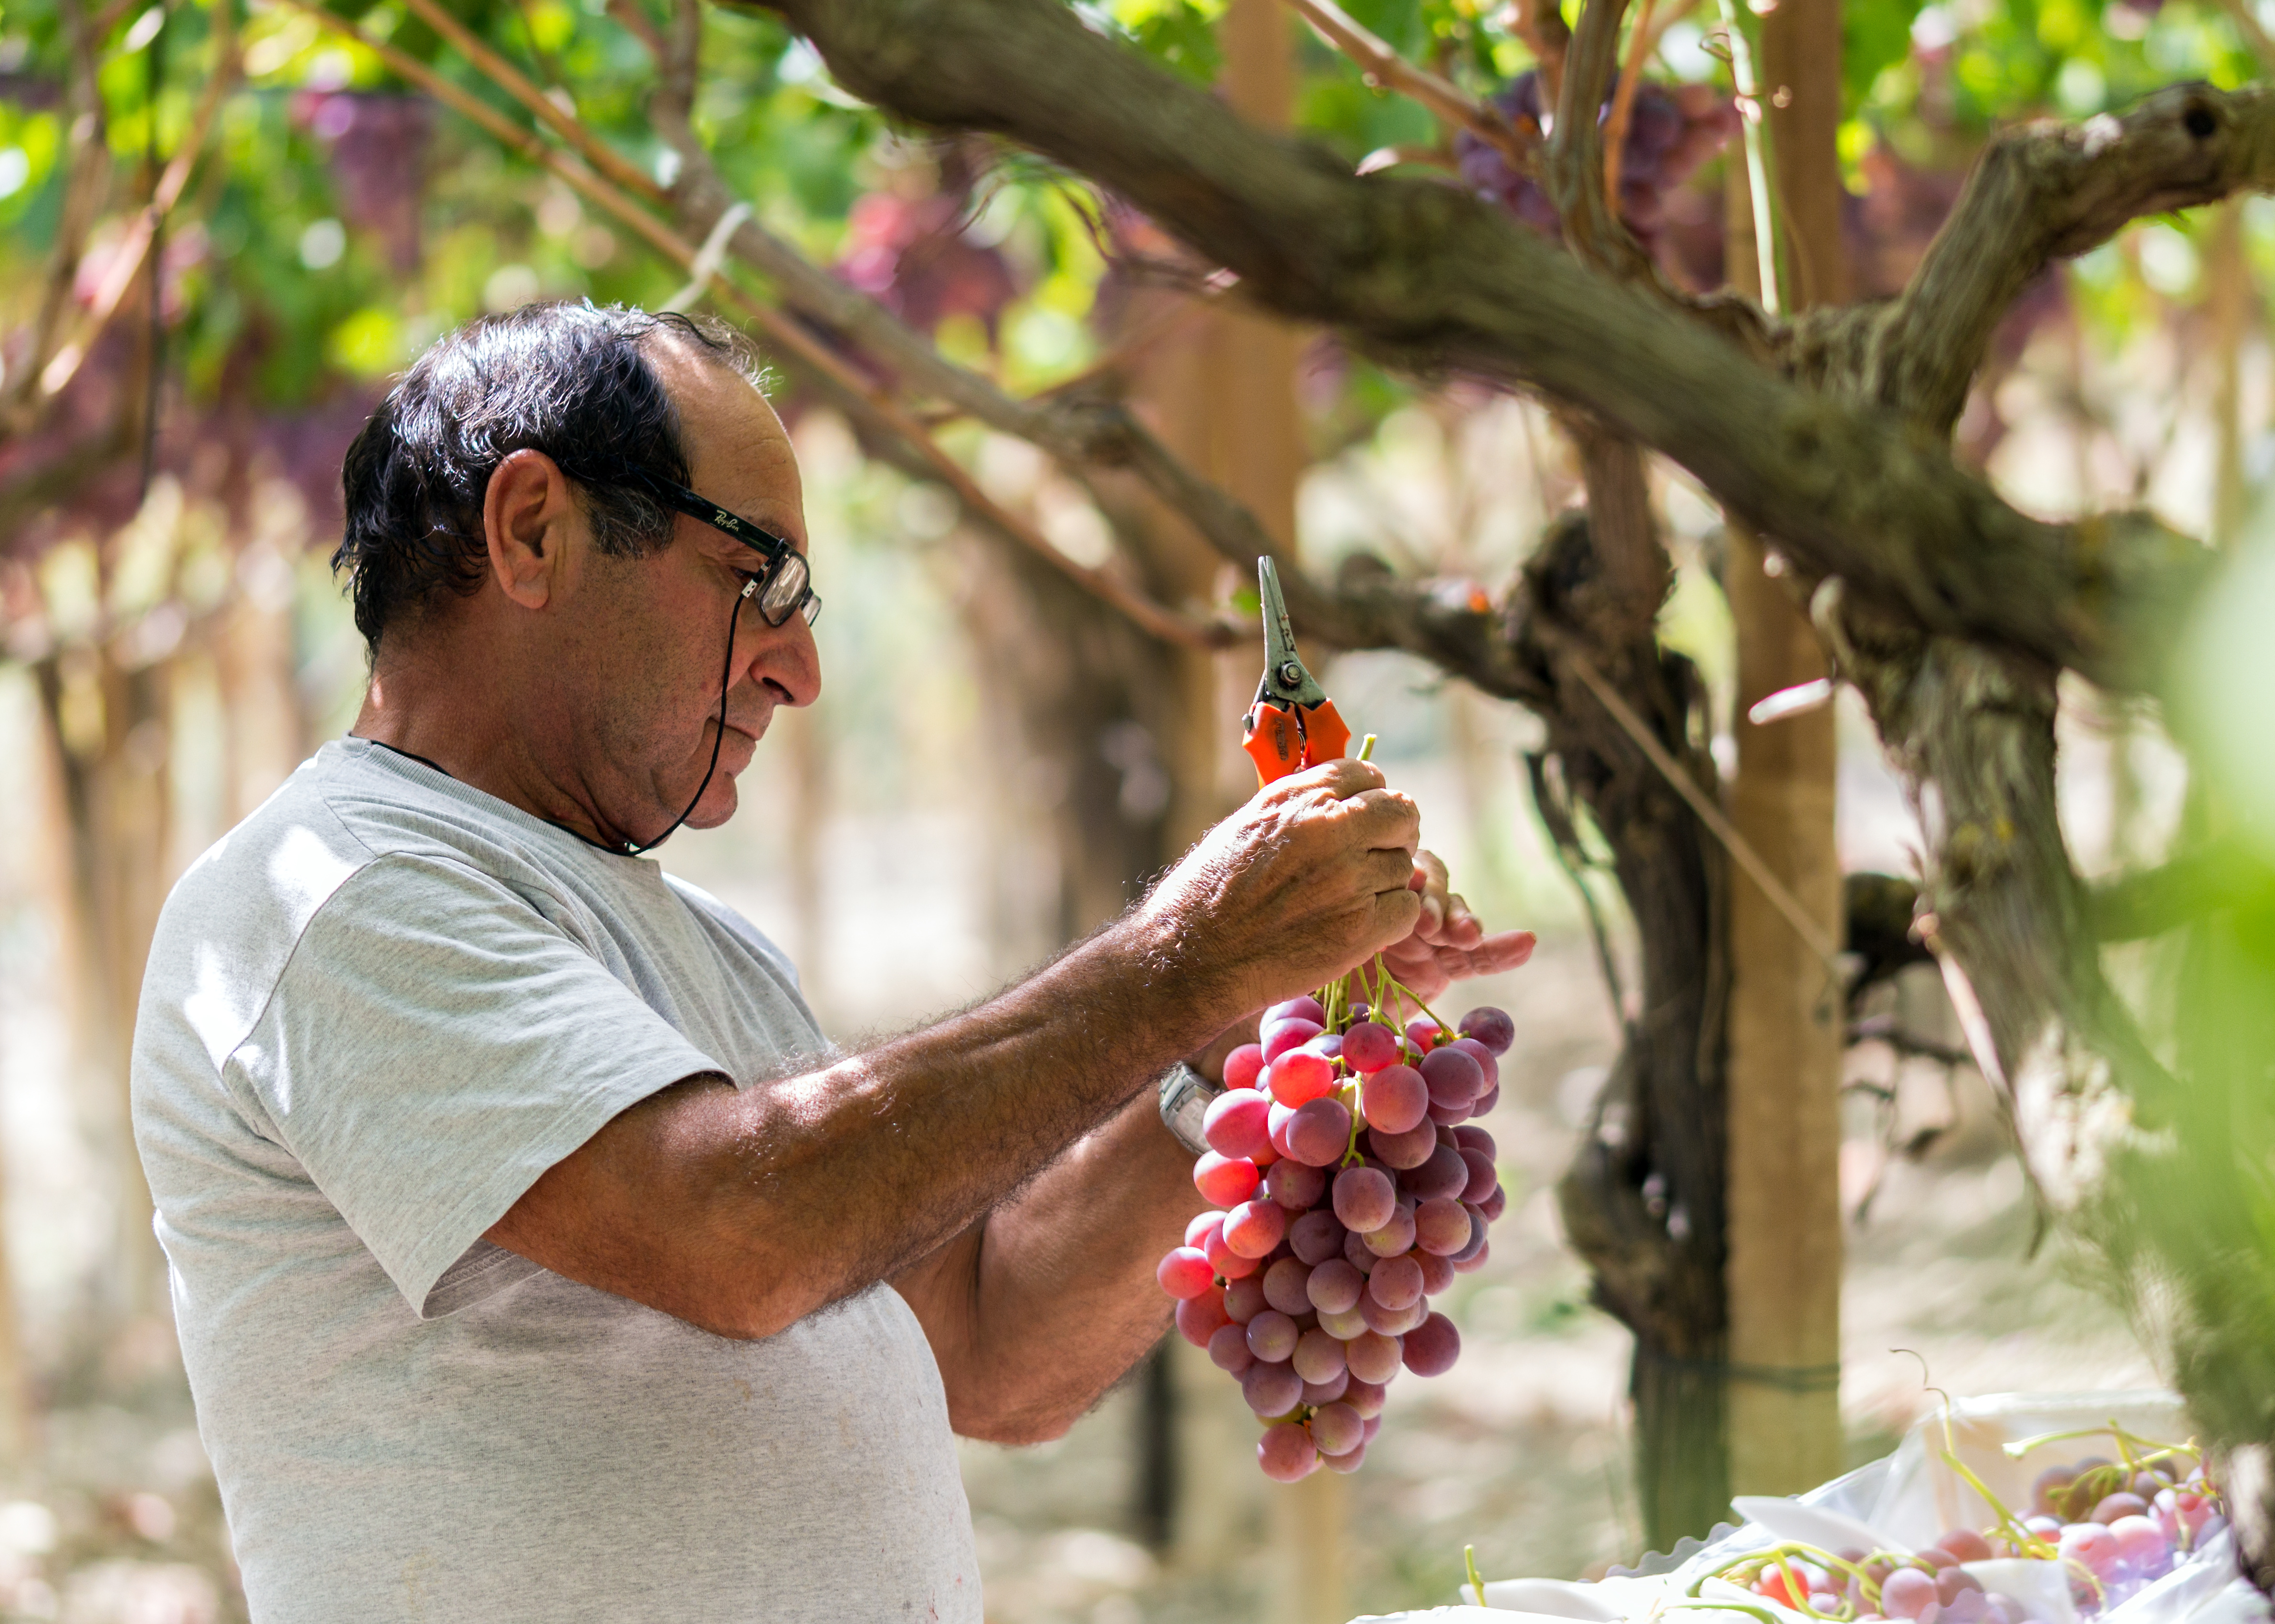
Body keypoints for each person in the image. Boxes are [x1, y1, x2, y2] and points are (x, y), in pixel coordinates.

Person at [131, 301, 1534, 1623]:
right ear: (533, 530)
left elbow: (993, 1349)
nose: (799, 670)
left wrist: (1227, 1031)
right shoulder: (329, 894)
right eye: (760, 579)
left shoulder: (704, 952)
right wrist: (1182, 952)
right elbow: (736, 1231)